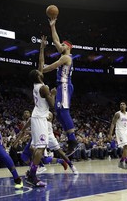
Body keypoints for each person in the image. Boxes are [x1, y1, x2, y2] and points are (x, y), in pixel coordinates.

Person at [42, 17, 77, 156]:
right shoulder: (64, 53)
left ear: (67, 47)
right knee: (58, 111)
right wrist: (52, 26)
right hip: (61, 85)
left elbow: (52, 66)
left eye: (63, 45)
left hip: (64, 85)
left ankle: (73, 141)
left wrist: (41, 70)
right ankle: (70, 139)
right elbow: (56, 40)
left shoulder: (66, 58)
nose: (59, 46)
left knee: (63, 111)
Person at [25, 35, 57, 187]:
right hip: (39, 117)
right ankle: (32, 175)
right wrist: (54, 94)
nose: (42, 70)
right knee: (40, 147)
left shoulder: (37, 84)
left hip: (38, 116)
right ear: (38, 76)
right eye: (40, 71)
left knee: (40, 147)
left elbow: (41, 63)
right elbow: (52, 105)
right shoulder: (44, 88)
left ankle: (30, 172)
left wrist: (42, 48)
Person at [109, 101, 127, 170]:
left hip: (125, 131)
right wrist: (110, 134)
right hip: (119, 131)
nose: (122, 105)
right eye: (121, 104)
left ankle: (121, 162)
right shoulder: (117, 114)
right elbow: (113, 123)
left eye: (123, 104)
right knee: (125, 146)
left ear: (126, 106)